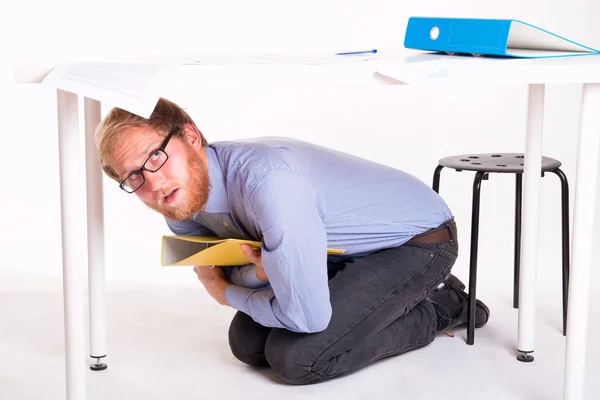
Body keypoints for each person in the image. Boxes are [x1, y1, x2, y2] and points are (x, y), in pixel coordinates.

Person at [94, 97, 490, 384]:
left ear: (192, 137)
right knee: (246, 345)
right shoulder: (179, 201)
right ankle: (389, 300)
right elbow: (234, 269)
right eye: (133, 177)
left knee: (299, 359)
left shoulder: (269, 183)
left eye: (156, 157)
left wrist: (226, 292)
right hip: (332, 250)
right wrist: (261, 276)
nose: (153, 182)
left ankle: (442, 303)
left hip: (414, 243)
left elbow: (301, 315)